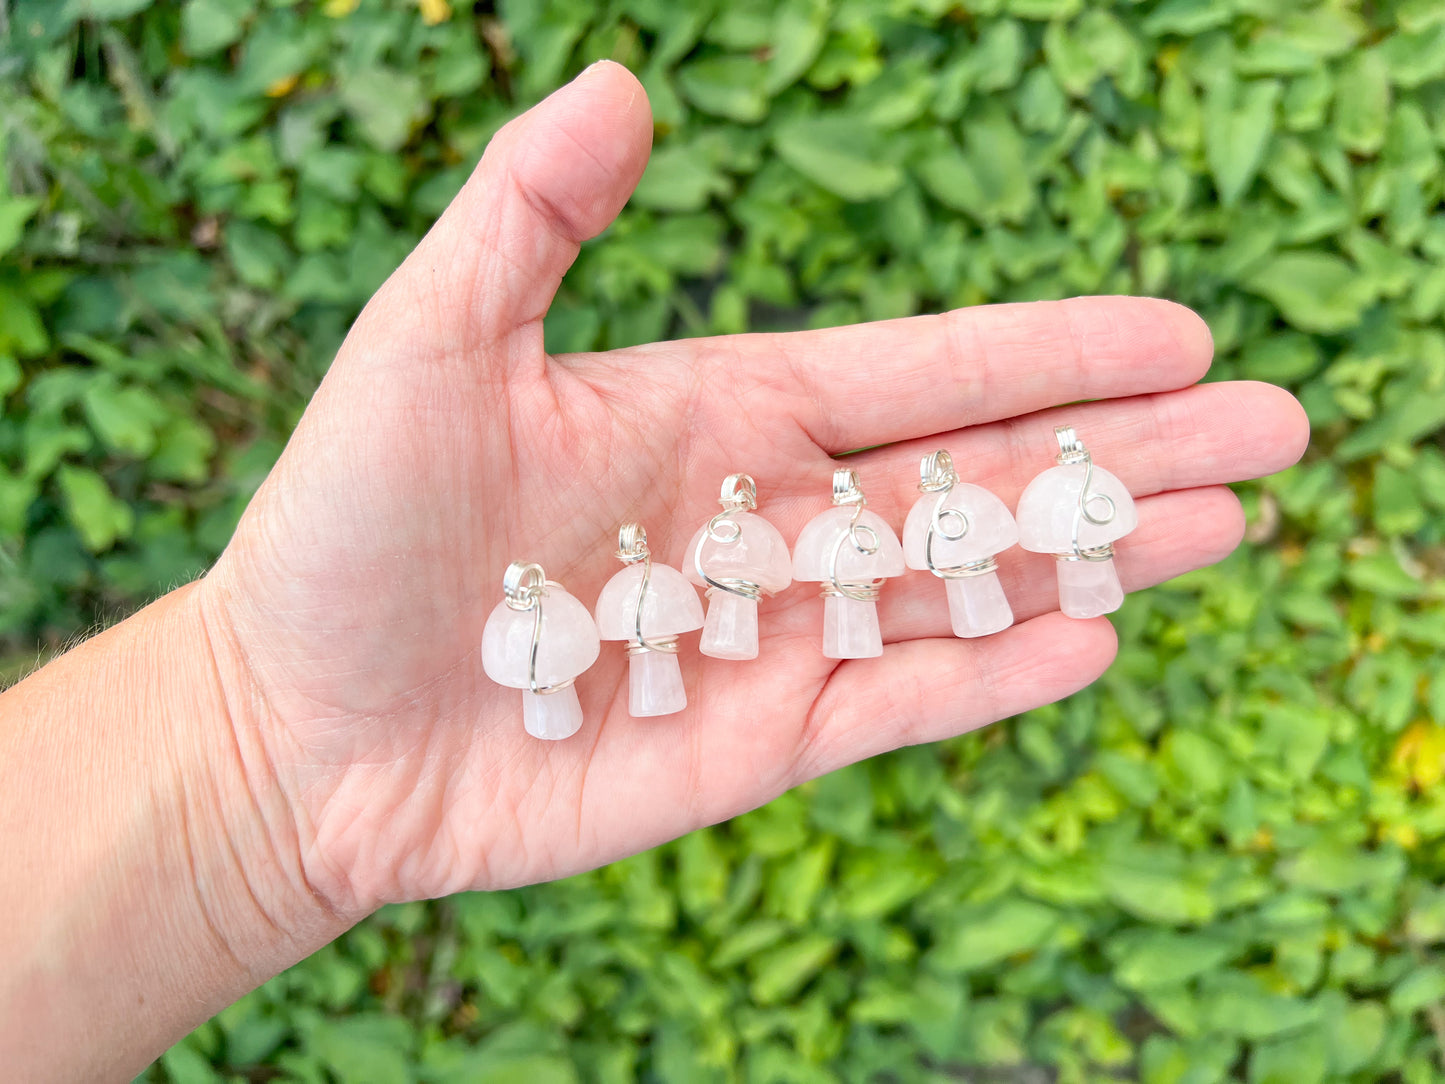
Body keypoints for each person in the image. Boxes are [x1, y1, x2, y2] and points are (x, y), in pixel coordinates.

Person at [0, 62, 1310, 1082]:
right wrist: (252, 734)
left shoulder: (851, 537)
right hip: (683, 620)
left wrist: (248, 759)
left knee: (947, 590)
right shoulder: (604, 599)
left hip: (821, 584)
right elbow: (652, 603)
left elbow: (823, 557)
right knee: (772, 623)